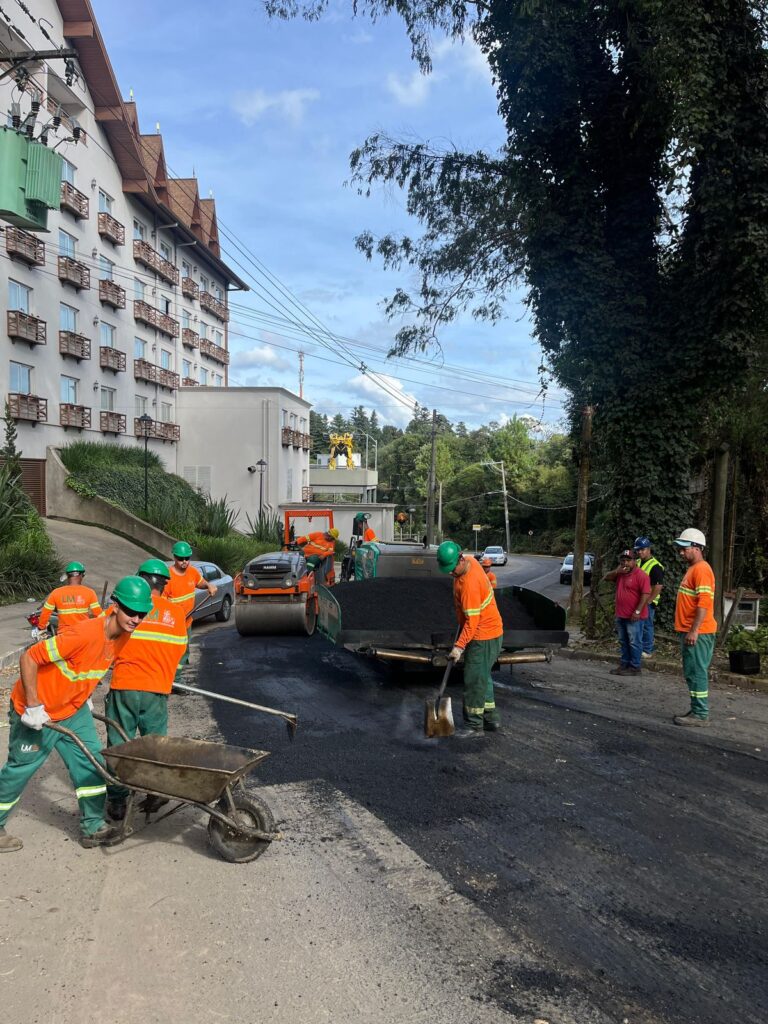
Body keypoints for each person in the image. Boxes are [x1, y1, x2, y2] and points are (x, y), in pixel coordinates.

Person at [0, 576, 153, 853]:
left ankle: (92, 826)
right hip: (38, 711)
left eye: (142, 613)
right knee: (20, 770)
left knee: (92, 763)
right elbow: (30, 658)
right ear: (114, 606)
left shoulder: (124, 635)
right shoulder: (84, 634)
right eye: (131, 611)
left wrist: (82, 696)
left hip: (72, 709)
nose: (136, 618)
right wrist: (33, 705)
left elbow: (89, 667)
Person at [105, 559, 187, 820]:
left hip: (125, 686)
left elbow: (104, 641)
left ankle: (118, 801)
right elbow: (180, 652)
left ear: (139, 579)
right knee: (155, 744)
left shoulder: (127, 609)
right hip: (157, 689)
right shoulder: (174, 615)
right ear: (164, 585)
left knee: (120, 743)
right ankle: (156, 791)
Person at [437, 540, 504, 735]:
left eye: (451, 569)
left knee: (474, 679)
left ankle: (474, 726)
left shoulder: (470, 586)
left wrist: (458, 647)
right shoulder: (470, 562)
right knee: (483, 676)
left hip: (484, 635)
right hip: (490, 631)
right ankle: (491, 718)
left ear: (459, 560)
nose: (450, 573)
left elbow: (472, 624)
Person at [673, 528, 716, 727]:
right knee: (692, 672)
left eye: (684, 548)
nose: (681, 552)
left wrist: (694, 630)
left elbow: (704, 603)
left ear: (697, 548)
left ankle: (700, 713)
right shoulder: (693, 569)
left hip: (698, 632)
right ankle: (696, 708)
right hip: (692, 630)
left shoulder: (701, 570)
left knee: (697, 671)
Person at [164, 541, 217, 672]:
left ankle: (177, 678)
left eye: (187, 558)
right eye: (180, 558)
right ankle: (176, 681)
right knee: (174, 653)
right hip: (173, 624)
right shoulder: (168, 578)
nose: (184, 561)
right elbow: (162, 604)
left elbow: (201, 582)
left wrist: (209, 586)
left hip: (187, 623)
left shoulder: (192, 572)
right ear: (174, 558)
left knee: (184, 651)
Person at [603, 549, 651, 676]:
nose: (625, 563)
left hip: (634, 616)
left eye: (628, 560)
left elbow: (645, 594)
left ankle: (635, 667)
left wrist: (637, 611)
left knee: (634, 642)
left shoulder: (641, 575)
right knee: (623, 641)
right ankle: (624, 664)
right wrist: (616, 571)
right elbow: (606, 578)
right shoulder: (620, 574)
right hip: (621, 614)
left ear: (635, 561)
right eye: (623, 560)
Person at [37, 561, 103, 634]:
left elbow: (45, 613)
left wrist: (41, 627)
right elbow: (99, 615)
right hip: (83, 634)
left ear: (67, 576)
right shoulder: (90, 592)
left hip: (64, 635)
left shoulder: (56, 593)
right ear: (81, 575)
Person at [633, 537, 664, 659]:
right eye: (638, 550)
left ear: (649, 549)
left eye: (642, 549)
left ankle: (647, 650)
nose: (639, 552)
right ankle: (640, 648)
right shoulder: (639, 562)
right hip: (640, 600)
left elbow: (658, 586)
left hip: (648, 602)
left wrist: (649, 601)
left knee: (647, 625)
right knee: (639, 625)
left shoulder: (655, 566)